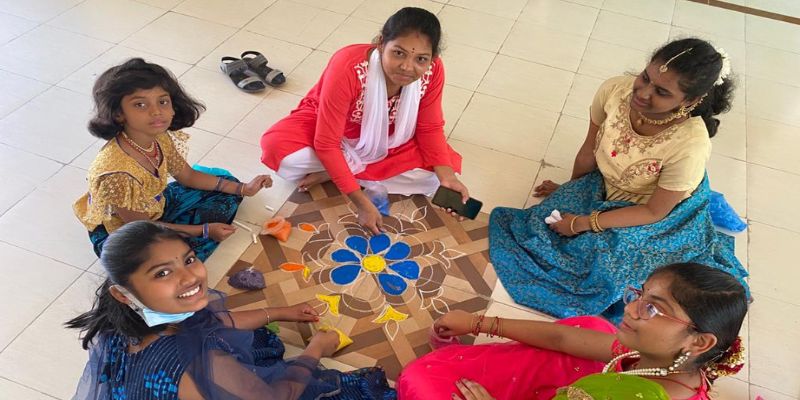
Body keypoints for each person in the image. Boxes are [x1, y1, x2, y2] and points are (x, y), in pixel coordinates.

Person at [489, 38, 748, 321]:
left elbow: (654, 212)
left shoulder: (691, 144)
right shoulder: (614, 91)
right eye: (645, 77)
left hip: (657, 212)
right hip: (607, 183)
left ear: (689, 101)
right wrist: (572, 190)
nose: (643, 93)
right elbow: (589, 149)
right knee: (543, 226)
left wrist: (582, 223)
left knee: (609, 265)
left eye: (661, 92)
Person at [66, 221, 396, 399]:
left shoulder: (120, 321)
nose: (190, 277)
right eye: (162, 273)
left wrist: (280, 312)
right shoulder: (204, 361)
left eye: (189, 260)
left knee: (257, 337)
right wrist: (316, 349)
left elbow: (215, 321)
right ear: (123, 293)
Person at [397, 263, 748, 400]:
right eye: (639, 296)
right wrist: (480, 324)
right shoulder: (665, 359)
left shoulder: (638, 397)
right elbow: (563, 338)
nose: (630, 308)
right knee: (590, 327)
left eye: (653, 309)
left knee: (420, 383)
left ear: (700, 341)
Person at [260, 7, 468, 234]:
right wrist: (361, 202)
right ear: (381, 44)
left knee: (434, 179)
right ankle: (348, 170)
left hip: (390, 136)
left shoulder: (433, 71)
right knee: (281, 153)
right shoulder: (348, 66)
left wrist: (447, 178)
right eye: (398, 53)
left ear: (432, 59)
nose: (407, 67)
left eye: (421, 59)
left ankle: (337, 170)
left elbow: (429, 127)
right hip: (331, 125)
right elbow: (326, 143)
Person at [73, 58, 273, 261]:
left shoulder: (158, 136)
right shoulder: (117, 174)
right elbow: (142, 229)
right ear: (118, 114)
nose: (156, 112)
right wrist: (203, 230)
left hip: (154, 206)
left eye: (163, 101)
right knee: (170, 258)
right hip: (129, 235)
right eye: (140, 104)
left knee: (226, 186)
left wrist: (244, 189)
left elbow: (188, 176)